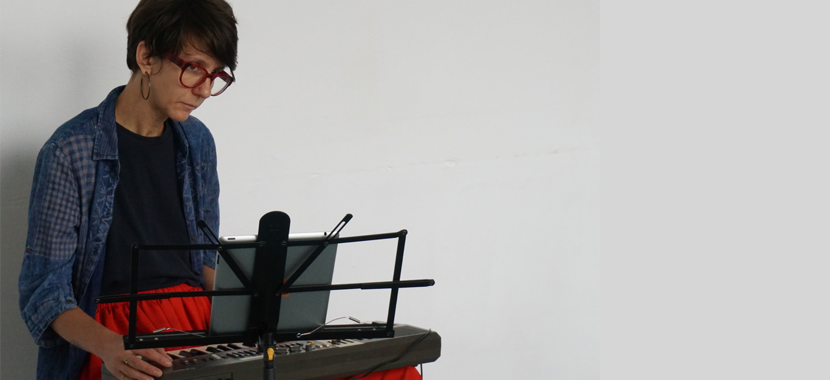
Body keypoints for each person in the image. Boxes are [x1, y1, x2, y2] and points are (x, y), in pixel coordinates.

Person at [19, 1, 424, 380]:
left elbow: (202, 265)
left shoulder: (197, 143)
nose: (203, 89)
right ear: (146, 57)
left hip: (204, 324)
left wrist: (261, 295)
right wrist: (111, 347)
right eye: (194, 68)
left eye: (216, 76)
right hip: (115, 334)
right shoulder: (70, 151)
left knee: (393, 369)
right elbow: (44, 292)